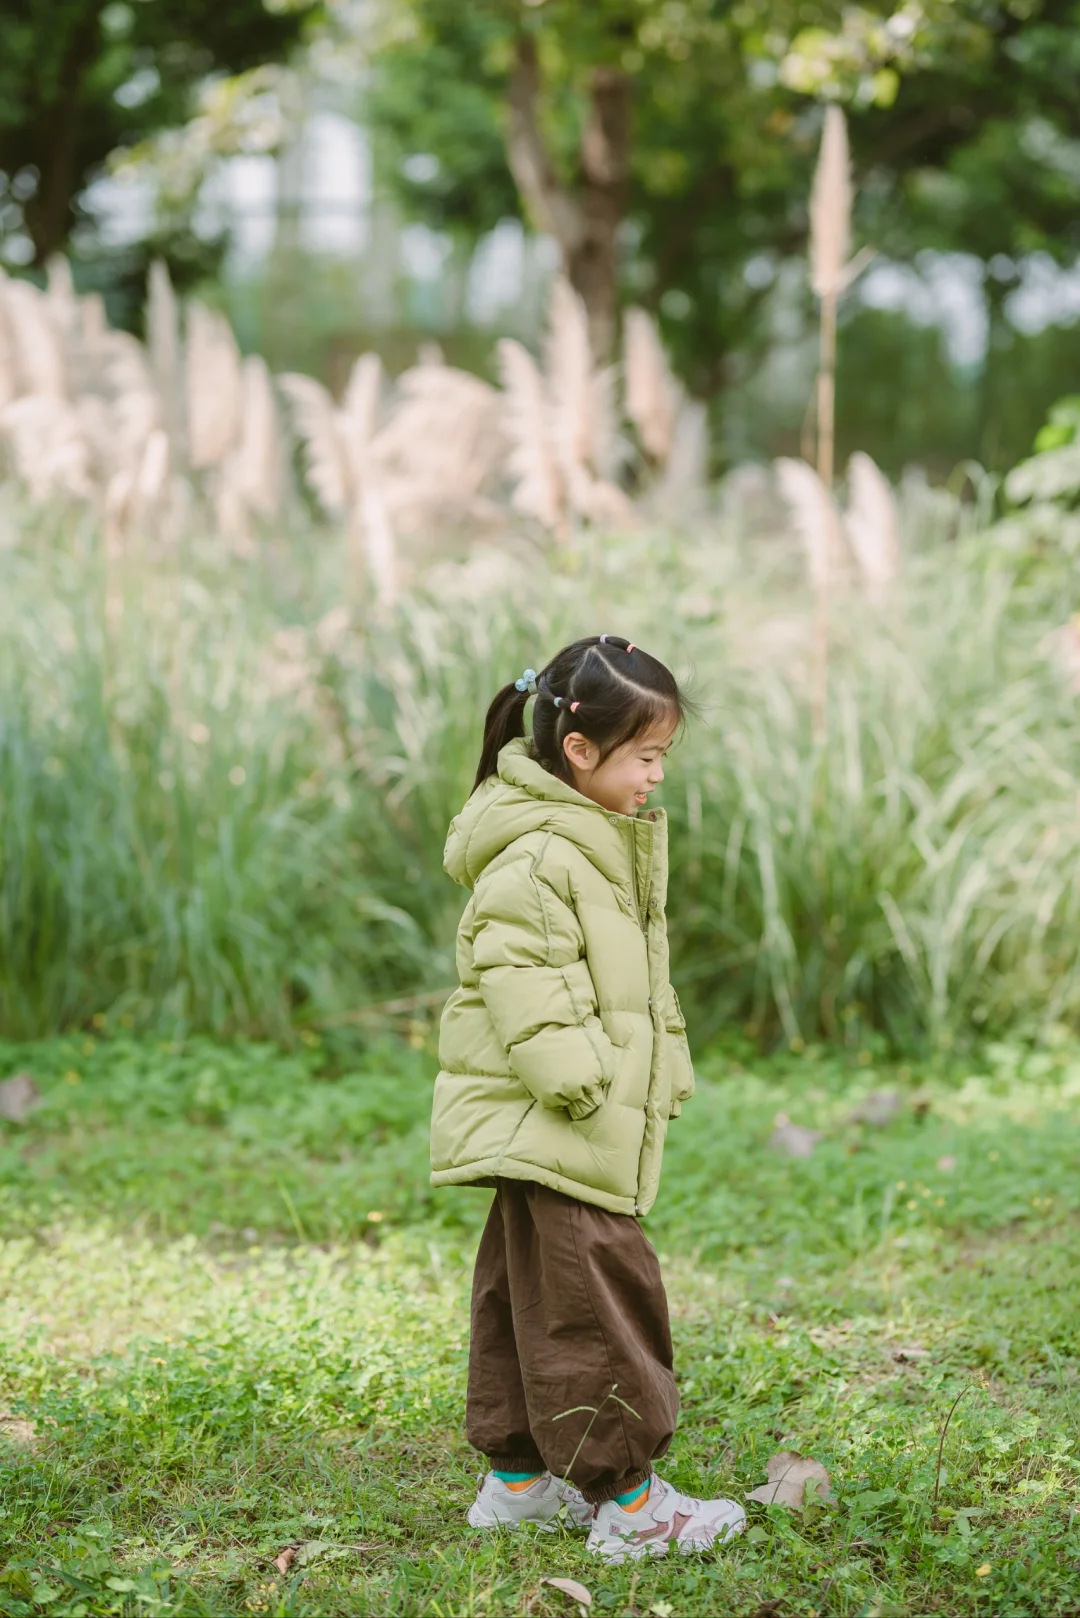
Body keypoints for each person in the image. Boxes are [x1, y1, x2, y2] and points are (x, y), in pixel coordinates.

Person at [430, 634, 745, 1563]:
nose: (657, 774)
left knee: (523, 1292)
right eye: (646, 755)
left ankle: (522, 1482)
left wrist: (666, 1061)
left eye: (663, 756)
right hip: (562, 1111)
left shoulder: (596, 840)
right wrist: (575, 1074)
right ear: (581, 752)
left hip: (569, 1113)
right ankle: (633, 1503)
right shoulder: (540, 853)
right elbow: (517, 965)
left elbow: (632, 980)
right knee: (597, 1296)